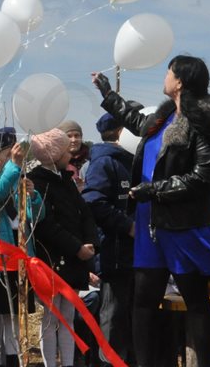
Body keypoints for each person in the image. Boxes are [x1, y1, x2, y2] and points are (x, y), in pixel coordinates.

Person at [92, 55, 210, 367]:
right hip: (150, 222)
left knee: (196, 301)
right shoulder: (165, 115)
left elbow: (204, 177)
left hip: (182, 225)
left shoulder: (202, 123)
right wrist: (108, 94)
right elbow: (137, 122)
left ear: (179, 81)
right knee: (142, 302)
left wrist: (154, 190)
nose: (164, 76)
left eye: (169, 72)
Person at [27, 127, 98, 367]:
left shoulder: (65, 179)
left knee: (68, 315)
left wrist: (90, 242)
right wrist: (76, 247)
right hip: (53, 258)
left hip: (74, 258)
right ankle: (51, 363)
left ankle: (67, 363)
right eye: (66, 150)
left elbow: (84, 213)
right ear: (54, 153)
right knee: (52, 316)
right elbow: (45, 224)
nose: (71, 154)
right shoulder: (38, 181)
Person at [0, 129, 41, 367]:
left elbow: (33, 216)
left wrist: (33, 196)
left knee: (14, 315)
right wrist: (14, 166)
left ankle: (12, 360)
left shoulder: (15, 179)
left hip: (19, 254)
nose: (13, 155)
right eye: (6, 152)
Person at [82, 112, 135, 367]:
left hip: (136, 257)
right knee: (113, 319)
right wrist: (128, 226)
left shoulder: (132, 159)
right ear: (121, 131)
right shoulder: (104, 163)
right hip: (114, 256)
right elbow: (94, 203)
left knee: (130, 320)